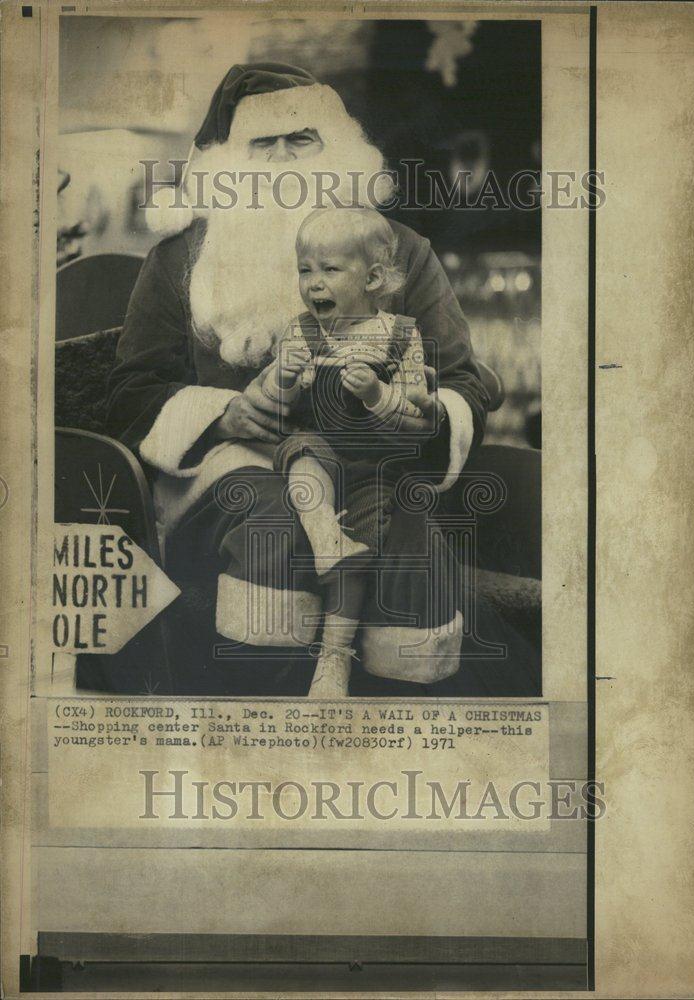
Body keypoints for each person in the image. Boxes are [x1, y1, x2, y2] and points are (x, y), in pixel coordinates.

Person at [102, 62, 538, 697]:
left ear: (336, 148)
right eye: (261, 143)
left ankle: (403, 721)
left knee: (407, 534)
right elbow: (130, 396)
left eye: (300, 137)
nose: (281, 158)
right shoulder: (178, 260)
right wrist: (224, 415)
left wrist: (425, 411)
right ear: (226, 163)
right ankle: (266, 738)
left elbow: (463, 382)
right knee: (273, 524)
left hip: (372, 468)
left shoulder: (402, 251)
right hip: (234, 473)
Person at [258, 206, 440, 698]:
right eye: (305, 270)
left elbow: (414, 418)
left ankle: (334, 657)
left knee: (363, 545)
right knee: (300, 448)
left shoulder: (401, 335)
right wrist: (283, 377)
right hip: (316, 453)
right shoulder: (301, 331)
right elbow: (275, 414)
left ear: (374, 277)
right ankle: (324, 533)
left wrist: (376, 395)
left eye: (330, 269)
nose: (313, 283)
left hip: (373, 464)